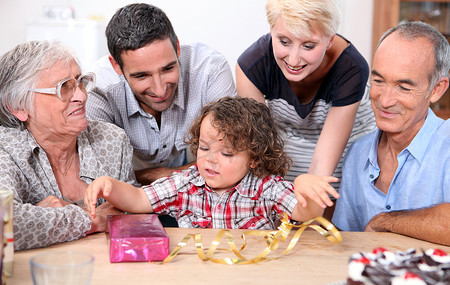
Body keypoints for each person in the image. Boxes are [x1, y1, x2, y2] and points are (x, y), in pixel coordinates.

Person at [84, 97, 325, 229]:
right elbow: (137, 200)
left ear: (253, 158)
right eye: (204, 147)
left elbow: (305, 214)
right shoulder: (186, 184)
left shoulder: (266, 188)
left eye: (227, 154)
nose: (210, 159)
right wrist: (110, 186)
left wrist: (306, 188)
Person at [236, 0, 376, 218]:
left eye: (308, 46)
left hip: (344, 147)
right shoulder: (252, 65)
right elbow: (262, 154)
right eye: (284, 41)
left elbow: (321, 173)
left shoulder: (352, 69)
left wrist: (307, 210)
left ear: (330, 40)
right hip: (286, 145)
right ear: (271, 30)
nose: (293, 59)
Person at [0, 41, 137, 251]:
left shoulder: (112, 140)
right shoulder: (5, 149)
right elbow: (5, 223)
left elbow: (137, 213)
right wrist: (92, 220)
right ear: (19, 107)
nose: (82, 96)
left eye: (80, 82)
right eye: (63, 87)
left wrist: (45, 217)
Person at [86, 3, 236, 186]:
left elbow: (229, 155)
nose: (159, 90)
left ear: (177, 47)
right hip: (127, 180)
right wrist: (141, 179)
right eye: (142, 76)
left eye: (168, 68)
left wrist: (165, 174)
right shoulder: (98, 90)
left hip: (184, 174)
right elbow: (104, 178)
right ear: (116, 65)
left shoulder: (209, 70)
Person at [331, 21, 450, 246]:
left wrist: (385, 222)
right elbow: (346, 240)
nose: (385, 100)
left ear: (437, 89)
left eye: (403, 87)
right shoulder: (358, 152)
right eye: (378, 81)